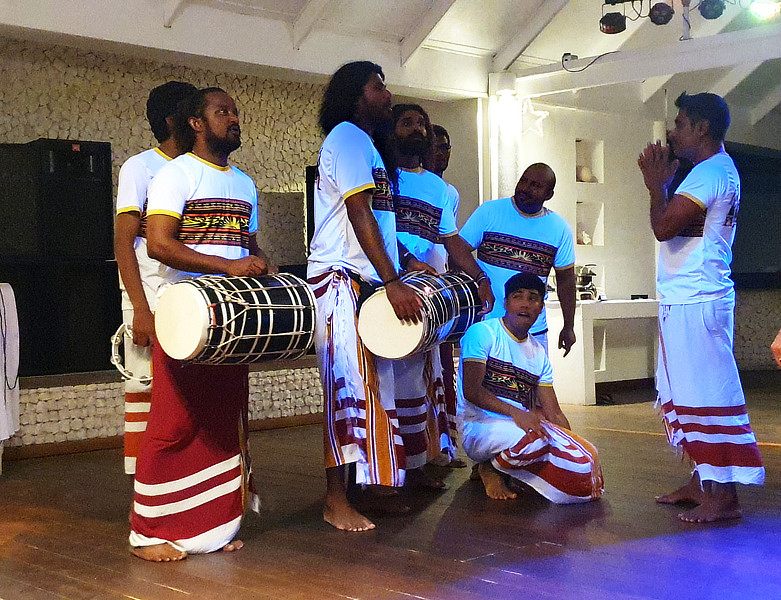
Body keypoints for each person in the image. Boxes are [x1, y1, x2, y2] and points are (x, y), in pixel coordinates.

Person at [129, 87, 275, 561]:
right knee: (173, 421)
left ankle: (212, 526)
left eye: (235, 110)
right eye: (222, 112)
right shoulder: (175, 175)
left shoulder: (246, 183)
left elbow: (247, 248)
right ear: (196, 123)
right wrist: (225, 266)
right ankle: (148, 532)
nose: (233, 118)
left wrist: (257, 263)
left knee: (222, 417)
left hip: (233, 319)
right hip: (184, 316)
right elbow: (157, 245)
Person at [637, 92, 764, 523]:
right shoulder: (712, 171)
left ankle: (725, 494)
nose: (673, 131)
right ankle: (702, 479)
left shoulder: (709, 173)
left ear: (701, 129)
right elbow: (679, 230)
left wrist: (656, 185)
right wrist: (666, 187)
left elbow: (663, 227)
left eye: (680, 123)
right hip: (688, 298)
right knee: (686, 395)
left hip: (697, 300)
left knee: (708, 397)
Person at [307, 62, 423, 532]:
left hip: (366, 282)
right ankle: (336, 499)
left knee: (377, 393)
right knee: (347, 393)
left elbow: (381, 220)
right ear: (356, 96)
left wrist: (406, 261)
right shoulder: (347, 138)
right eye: (379, 85)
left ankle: (371, 488)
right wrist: (393, 280)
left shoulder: (369, 146)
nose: (389, 92)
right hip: (340, 284)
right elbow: (358, 213)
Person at [384, 104, 493, 487]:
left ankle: (415, 465)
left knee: (417, 379)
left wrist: (479, 276)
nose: (417, 129)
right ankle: (380, 473)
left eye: (422, 124)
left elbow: (451, 239)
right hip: (383, 289)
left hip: (425, 296)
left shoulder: (439, 188)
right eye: (407, 122)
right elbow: (371, 231)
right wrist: (406, 261)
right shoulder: (382, 175)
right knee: (384, 384)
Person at [457, 272, 603, 503]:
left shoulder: (538, 352)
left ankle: (504, 465)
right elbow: (472, 392)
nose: (525, 304)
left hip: (521, 427)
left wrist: (572, 444)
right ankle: (490, 468)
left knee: (588, 454)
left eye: (533, 298)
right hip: (480, 428)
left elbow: (553, 412)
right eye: (518, 297)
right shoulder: (482, 333)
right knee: (537, 441)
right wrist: (519, 414)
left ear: (541, 306)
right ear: (506, 303)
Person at [114, 81, 197, 475]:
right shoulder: (141, 167)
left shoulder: (199, 169)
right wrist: (140, 310)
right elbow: (123, 243)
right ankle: (147, 504)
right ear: (171, 120)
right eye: (192, 111)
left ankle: (189, 502)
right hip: (149, 298)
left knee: (190, 401)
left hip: (195, 302)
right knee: (147, 398)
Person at [458, 163, 576, 356]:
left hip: (533, 333)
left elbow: (566, 281)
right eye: (523, 181)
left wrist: (568, 325)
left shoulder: (559, 228)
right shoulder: (489, 212)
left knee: (533, 385)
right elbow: (458, 253)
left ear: (549, 194)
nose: (525, 188)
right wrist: (480, 279)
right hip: (487, 327)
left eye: (535, 186)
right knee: (478, 385)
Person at [430, 124, 465, 467]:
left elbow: (450, 239)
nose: (442, 152)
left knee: (444, 367)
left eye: (446, 145)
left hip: (442, 286)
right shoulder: (406, 183)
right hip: (413, 284)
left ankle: (447, 446)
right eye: (435, 145)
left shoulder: (449, 192)